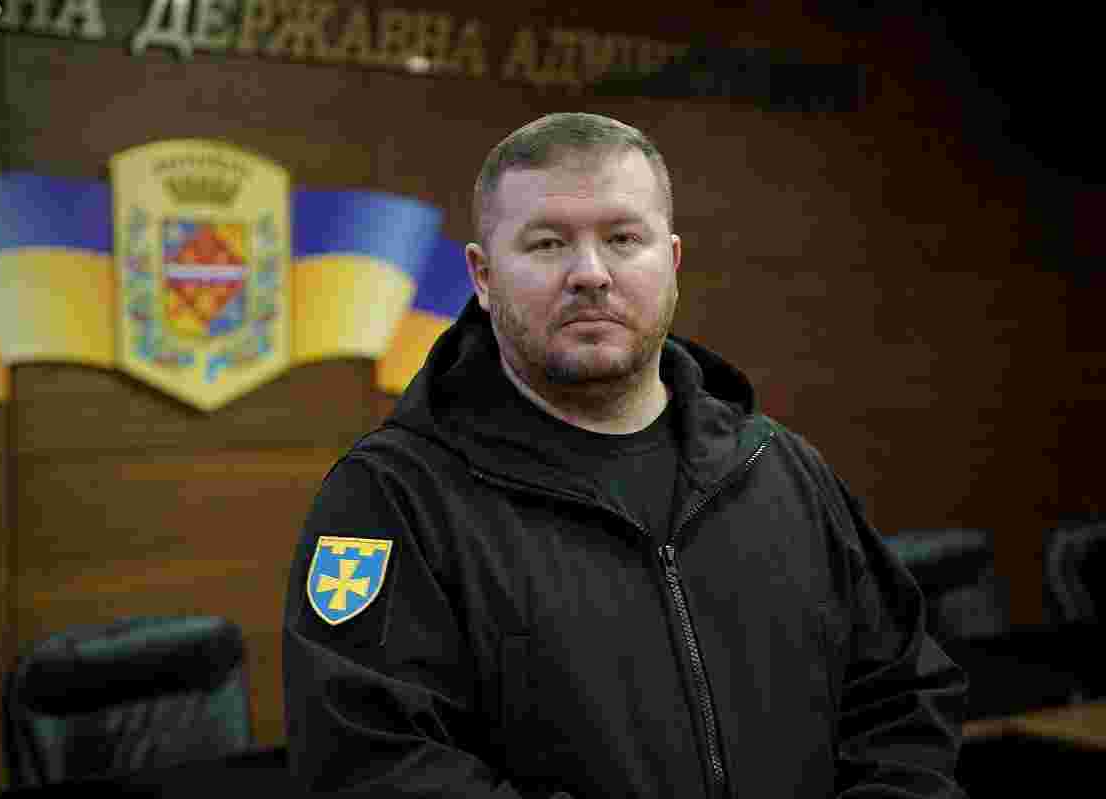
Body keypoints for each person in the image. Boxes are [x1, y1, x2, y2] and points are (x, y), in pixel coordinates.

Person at [283, 112, 968, 798]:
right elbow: (374, 767)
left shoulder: (778, 470)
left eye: (623, 239)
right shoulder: (395, 497)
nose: (590, 274)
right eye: (548, 243)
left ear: (671, 261)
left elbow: (903, 702)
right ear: (483, 277)